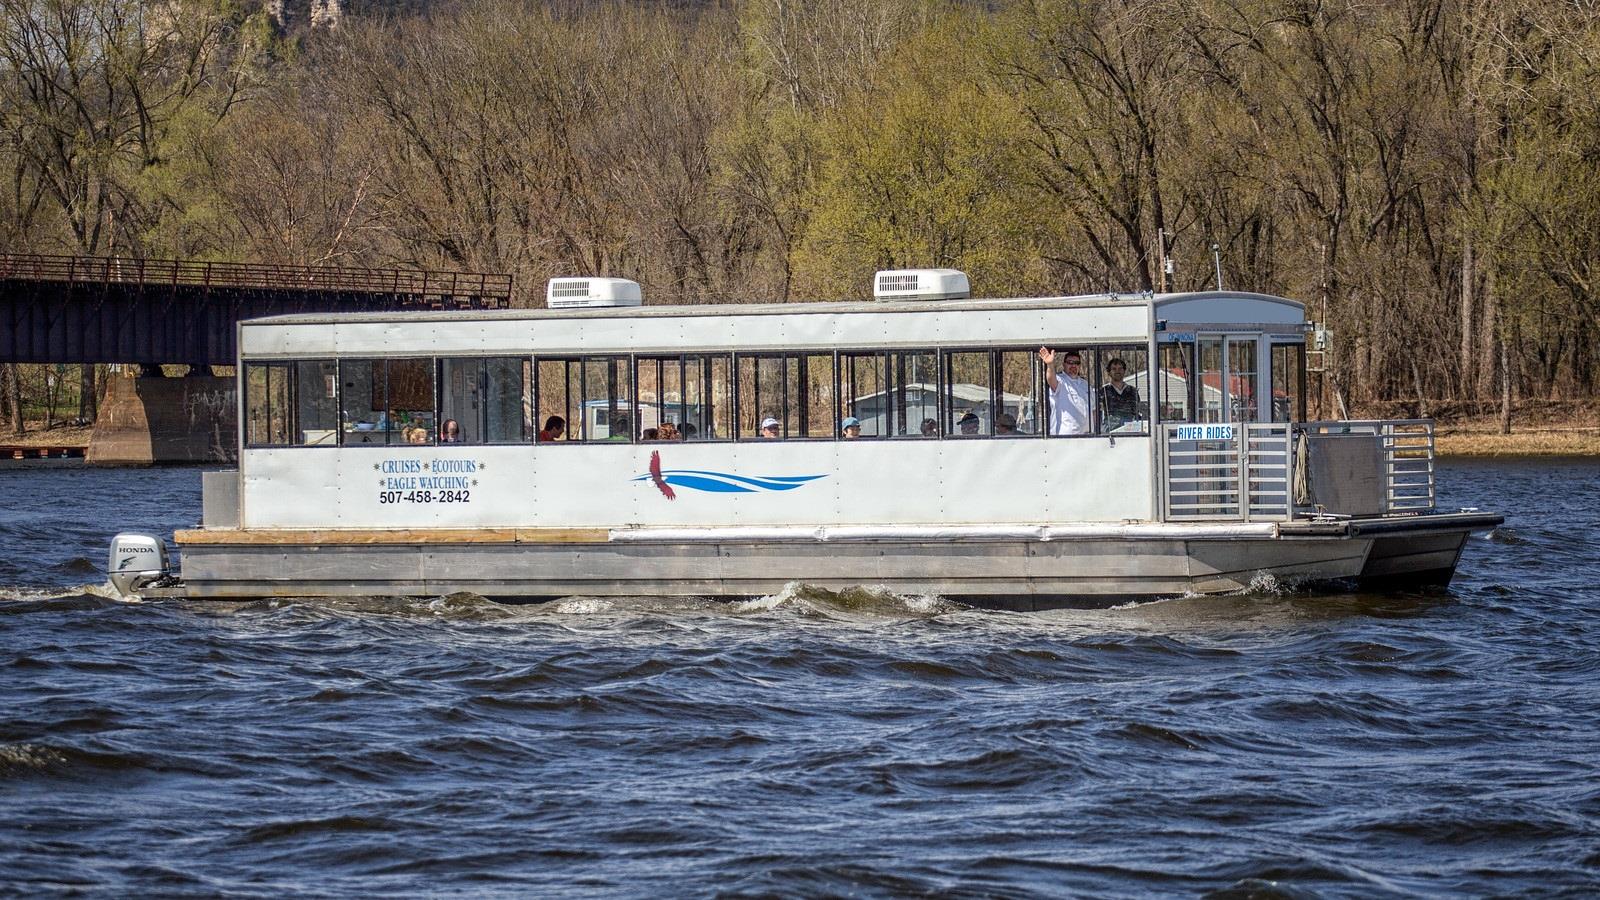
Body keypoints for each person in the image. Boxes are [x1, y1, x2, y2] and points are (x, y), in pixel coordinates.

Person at [1039, 346, 1090, 435]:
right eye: (1070, 362)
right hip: (1064, 438)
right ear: (1064, 365)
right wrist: (1050, 365)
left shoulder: (1085, 384)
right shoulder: (1060, 380)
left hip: (1087, 437)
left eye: (1076, 363)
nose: (1073, 365)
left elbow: (1093, 410)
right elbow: (1051, 380)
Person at [1099, 357, 1141, 432]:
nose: (1117, 371)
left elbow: (1137, 413)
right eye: (1114, 369)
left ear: (1124, 371)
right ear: (1109, 372)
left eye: (1120, 368)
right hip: (1110, 432)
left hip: (1130, 432)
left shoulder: (1133, 391)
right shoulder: (1103, 391)